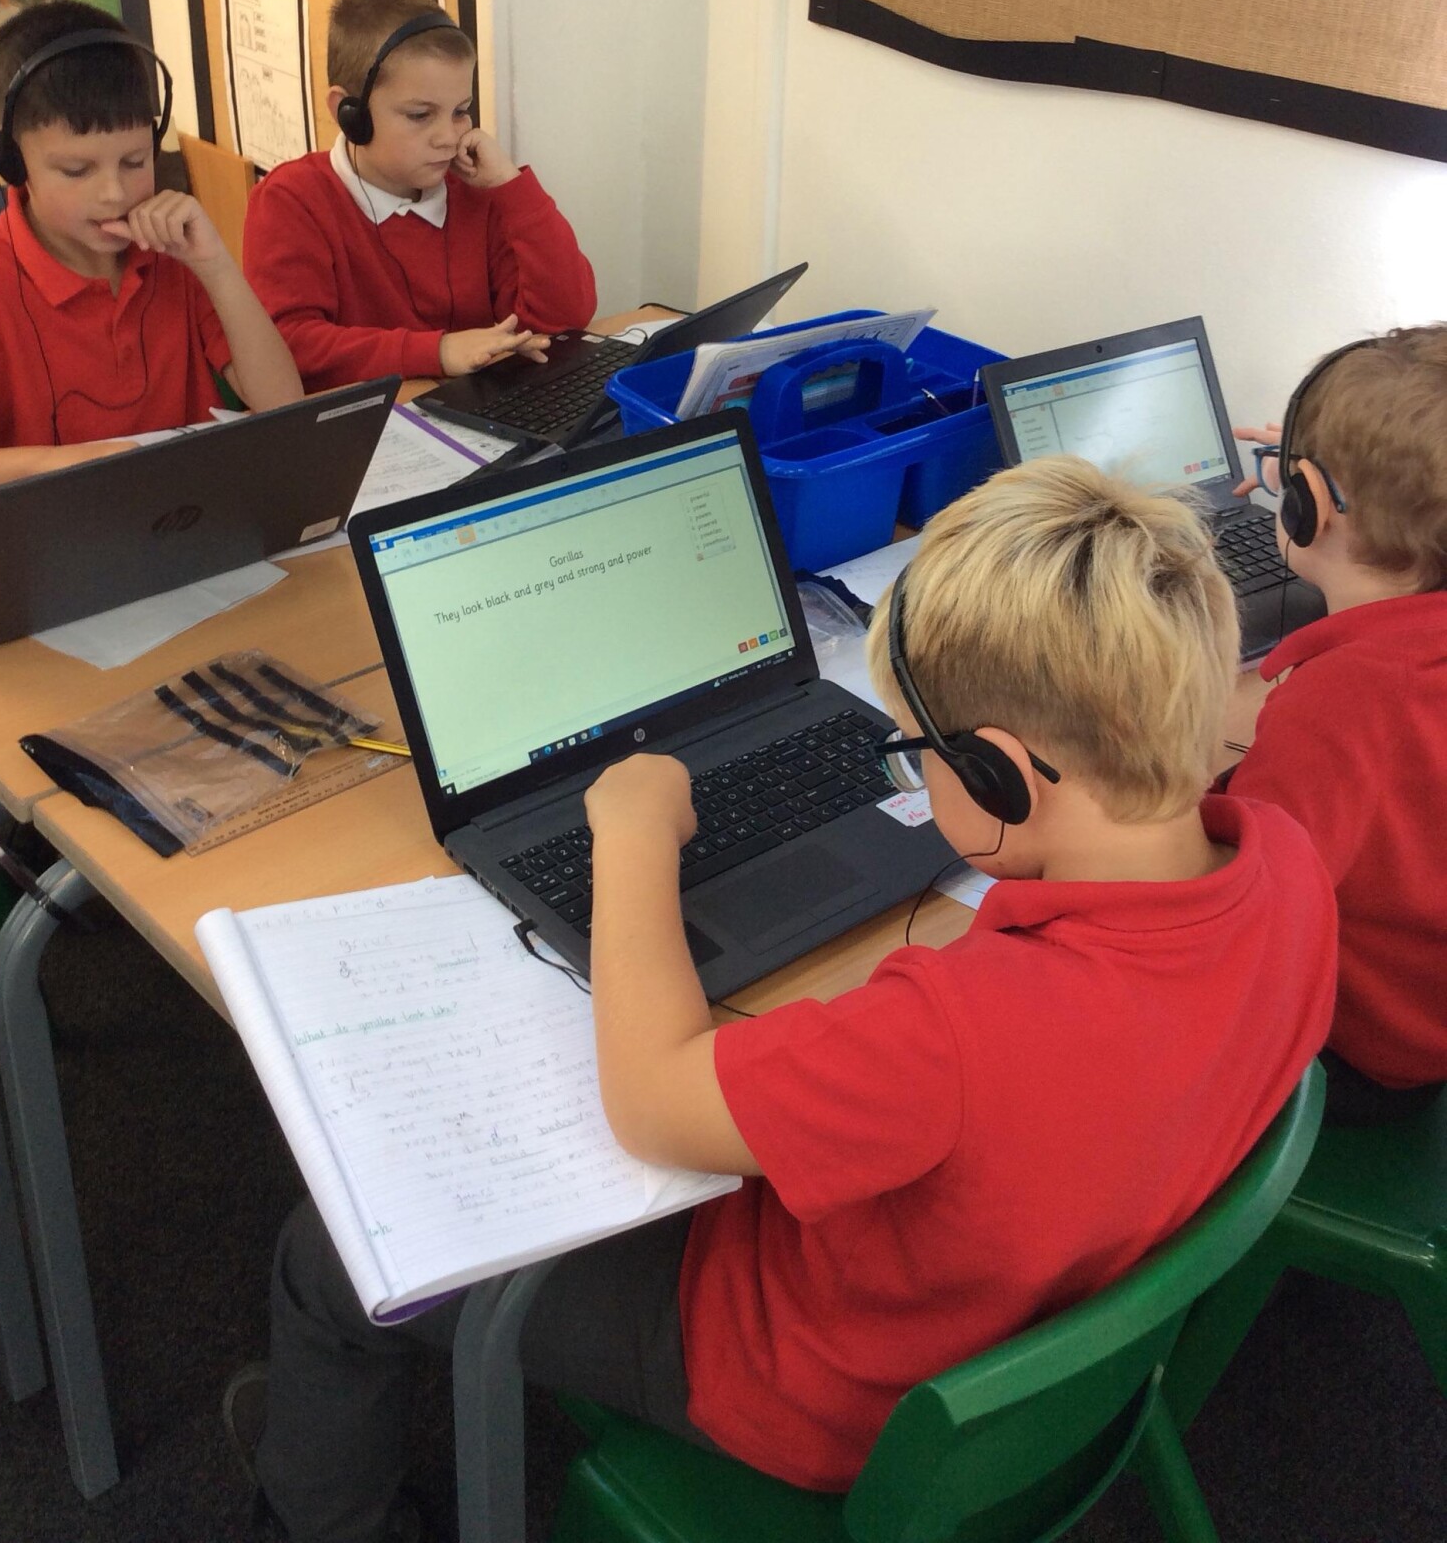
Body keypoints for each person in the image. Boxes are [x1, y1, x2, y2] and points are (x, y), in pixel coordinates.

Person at [225, 457, 1335, 1541]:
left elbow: (654, 1104)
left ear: (998, 772)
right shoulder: (1286, 866)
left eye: (916, 755)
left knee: (329, 1256)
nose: (913, 772)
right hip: (1032, 1321)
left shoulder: (953, 1034)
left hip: (807, 1386)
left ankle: (317, 1511)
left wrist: (630, 836)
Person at [1226, 325, 1447, 1125]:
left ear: (1304, 505)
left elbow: (1243, 908)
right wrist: (1372, 474)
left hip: (1383, 1056)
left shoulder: (1345, 703)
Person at [0, 0, 302, 497]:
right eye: (77, 170)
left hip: (189, 516)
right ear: (11, 159)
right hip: (54, 534)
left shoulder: (173, 255)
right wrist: (64, 464)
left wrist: (216, 266)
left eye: (135, 162)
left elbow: (284, 409)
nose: (114, 193)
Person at [243, 0, 597, 390]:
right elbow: (289, 347)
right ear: (349, 113)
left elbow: (563, 321)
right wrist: (438, 352)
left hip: (472, 414)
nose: (448, 137)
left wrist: (511, 189)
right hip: (368, 424)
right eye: (419, 115)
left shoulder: (475, 189)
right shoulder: (291, 199)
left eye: (461, 111)